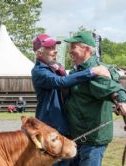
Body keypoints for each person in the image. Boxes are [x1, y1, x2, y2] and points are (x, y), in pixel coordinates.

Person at [31, 34, 110, 166]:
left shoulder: (56, 68)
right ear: (39, 53)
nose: (55, 50)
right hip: (50, 130)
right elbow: (60, 82)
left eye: (55, 47)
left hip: (63, 129)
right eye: (50, 48)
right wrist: (92, 71)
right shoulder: (39, 71)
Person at [64, 31, 126, 166]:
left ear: (87, 49)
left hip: (92, 140)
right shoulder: (77, 71)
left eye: (74, 47)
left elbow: (113, 88)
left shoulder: (96, 71)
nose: (70, 51)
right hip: (77, 137)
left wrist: (122, 102)